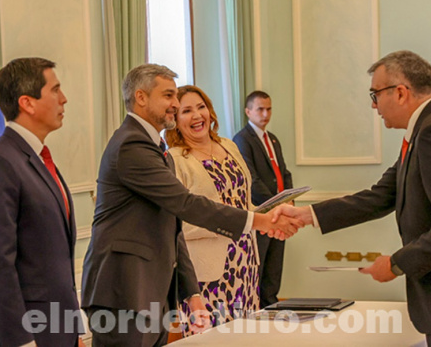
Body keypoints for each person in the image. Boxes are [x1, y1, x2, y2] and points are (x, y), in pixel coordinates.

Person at [274, 50, 431, 346]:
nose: (373, 105)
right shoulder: (428, 127)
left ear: (400, 92)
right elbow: (381, 195)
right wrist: (309, 215)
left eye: (375, 94)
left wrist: (397, 263)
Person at [81, 64, 302, 346]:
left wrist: (190, 292)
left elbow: (171, 224)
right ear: (141, 97)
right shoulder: (131, 144)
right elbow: (185, 205)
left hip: (150, 287)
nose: (175, 104)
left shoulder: (151, 144)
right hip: (124, 288)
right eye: (169, 96)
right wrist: (259, 221)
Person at [0, 58, 83, 346]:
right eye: (55, 90)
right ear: (27, 103)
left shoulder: (37, 158)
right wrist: (20, 341)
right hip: (23, 335)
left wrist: (74, 329)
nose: (64, 99)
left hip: (56, 329)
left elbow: (57, 263)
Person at [165, 85, 260, 332]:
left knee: (246, 336)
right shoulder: (174, 159)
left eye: (201, 107)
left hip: (246, 261)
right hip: (207, 274)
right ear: (175, 119)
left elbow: (243, 202)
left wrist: (265, 215)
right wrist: (227, 224)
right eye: (187, 111)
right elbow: (177, 223)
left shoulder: (229, 145)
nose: (197, 116)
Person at [233, 91, 293, 308]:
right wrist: (277, 204)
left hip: (280, 210)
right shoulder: (242, 139)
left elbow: (284, 171)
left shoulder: (273, 139)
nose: (265, 113)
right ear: (248, 111)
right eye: (260, 109)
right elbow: (251, 178)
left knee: (275, 266)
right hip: (261, 212)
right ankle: (257, 309)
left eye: (269, 108)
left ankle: (271, 305)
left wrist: (290, 198)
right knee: (260, 264)